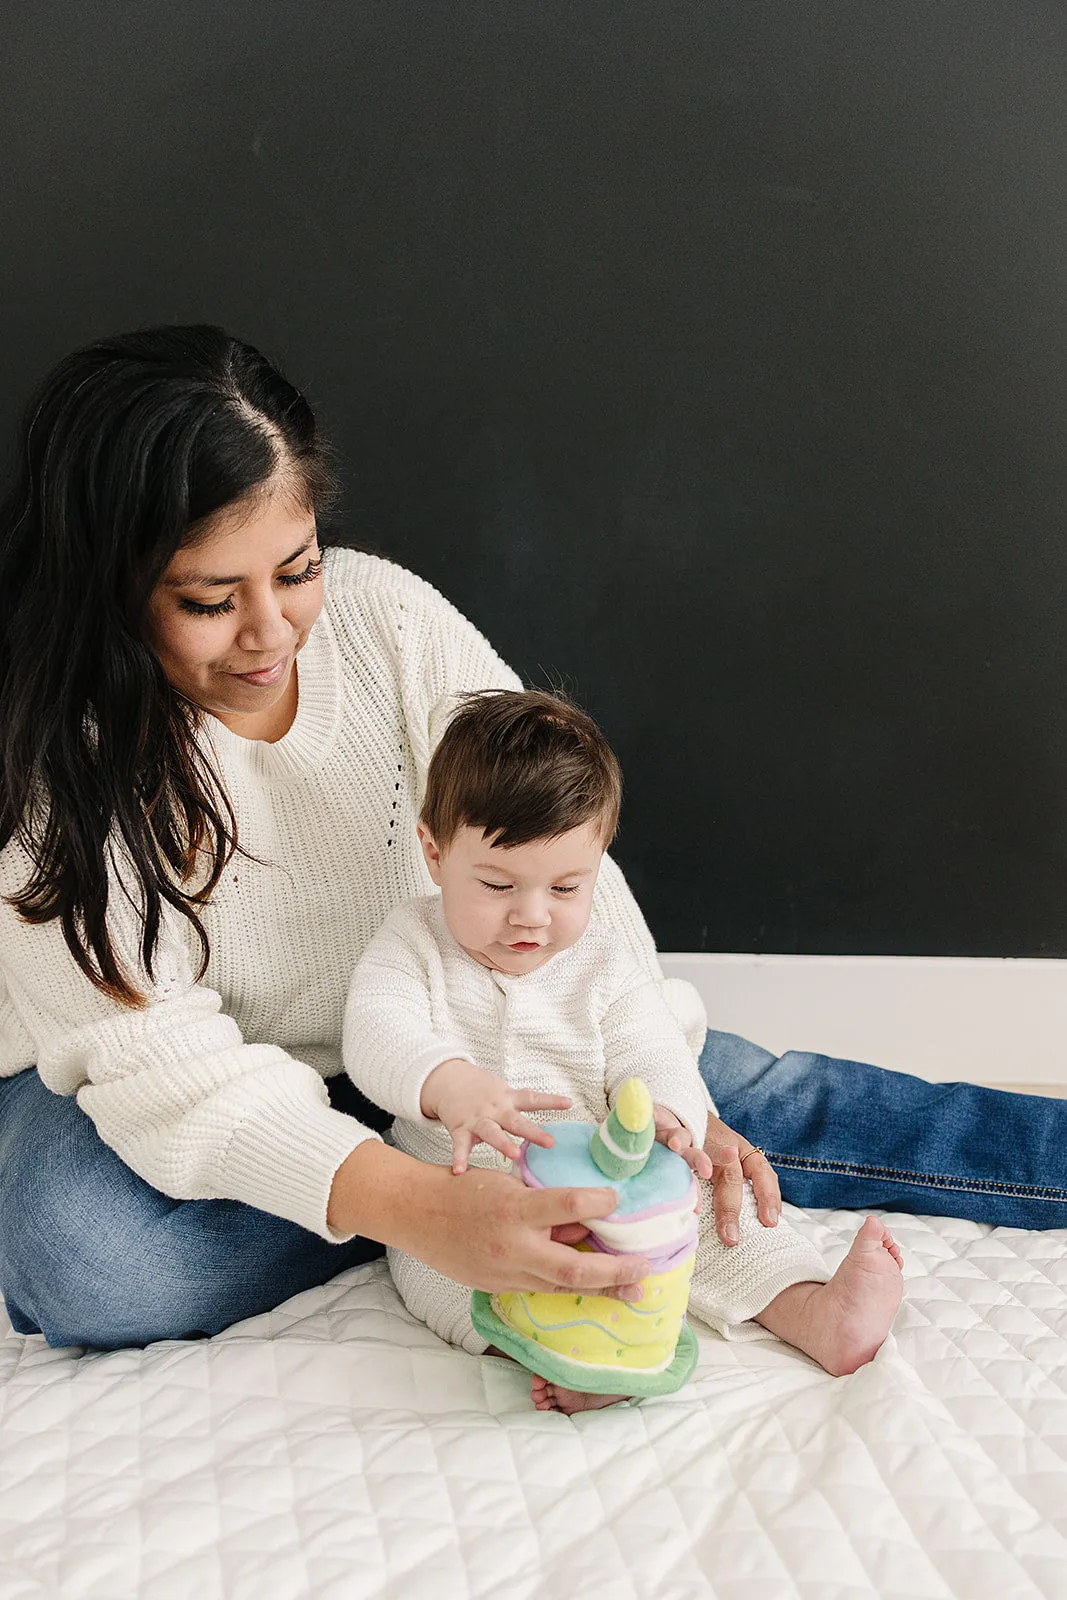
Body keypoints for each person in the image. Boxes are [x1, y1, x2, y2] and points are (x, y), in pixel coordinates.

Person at [0, 326, 1063, 1354]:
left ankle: (440, 1189)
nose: (272, 631)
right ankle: (409, 1199)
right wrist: (416, 1200)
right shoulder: (59, 770)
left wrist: (642, 1052)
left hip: (456, 1021)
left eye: (295, 568)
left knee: (721, 1106)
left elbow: (556, 841)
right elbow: (160, 1067)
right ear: (111, 587)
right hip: (171, 1082)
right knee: (79, 1255)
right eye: (208, 599)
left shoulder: (382, 619)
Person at [343, 689, 903, 1412]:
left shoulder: (605, 962)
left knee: (714, 1218)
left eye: (566, 887)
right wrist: (444, 1081)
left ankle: (813, 1309)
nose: (531, 916)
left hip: (616, 1177)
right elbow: (376, 1032)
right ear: (434, 851)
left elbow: (651, 1047)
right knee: (441, 1273)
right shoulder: (410, 945)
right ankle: (568, 1355)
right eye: (495, 884)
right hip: (470, 1192)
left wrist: (671, 1119)